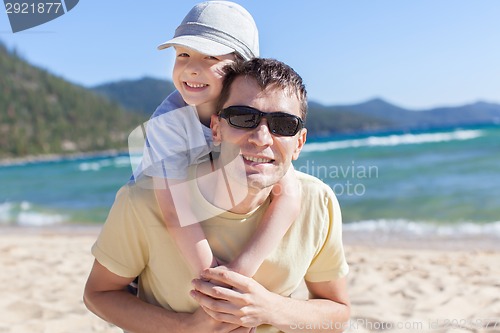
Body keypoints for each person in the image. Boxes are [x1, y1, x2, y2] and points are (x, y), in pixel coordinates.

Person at [84, 58, 350, 333]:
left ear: (299, 143)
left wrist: (269, 308)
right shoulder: (143, 200)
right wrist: (186, 328)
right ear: (216, 129)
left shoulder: (318, 201)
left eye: (283, 125)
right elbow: (99, 294)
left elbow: (338, 313)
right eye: (243, 118)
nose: (261, 138)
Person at [131, 0, 302, 281]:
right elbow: (174, 210)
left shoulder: (256, 121)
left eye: (210, 58)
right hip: (151, 214)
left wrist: (241, 271)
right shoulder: (169, 123)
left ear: (243, 70)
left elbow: (289, 195)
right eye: (183, 54)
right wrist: (213, 279)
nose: (192, 69)